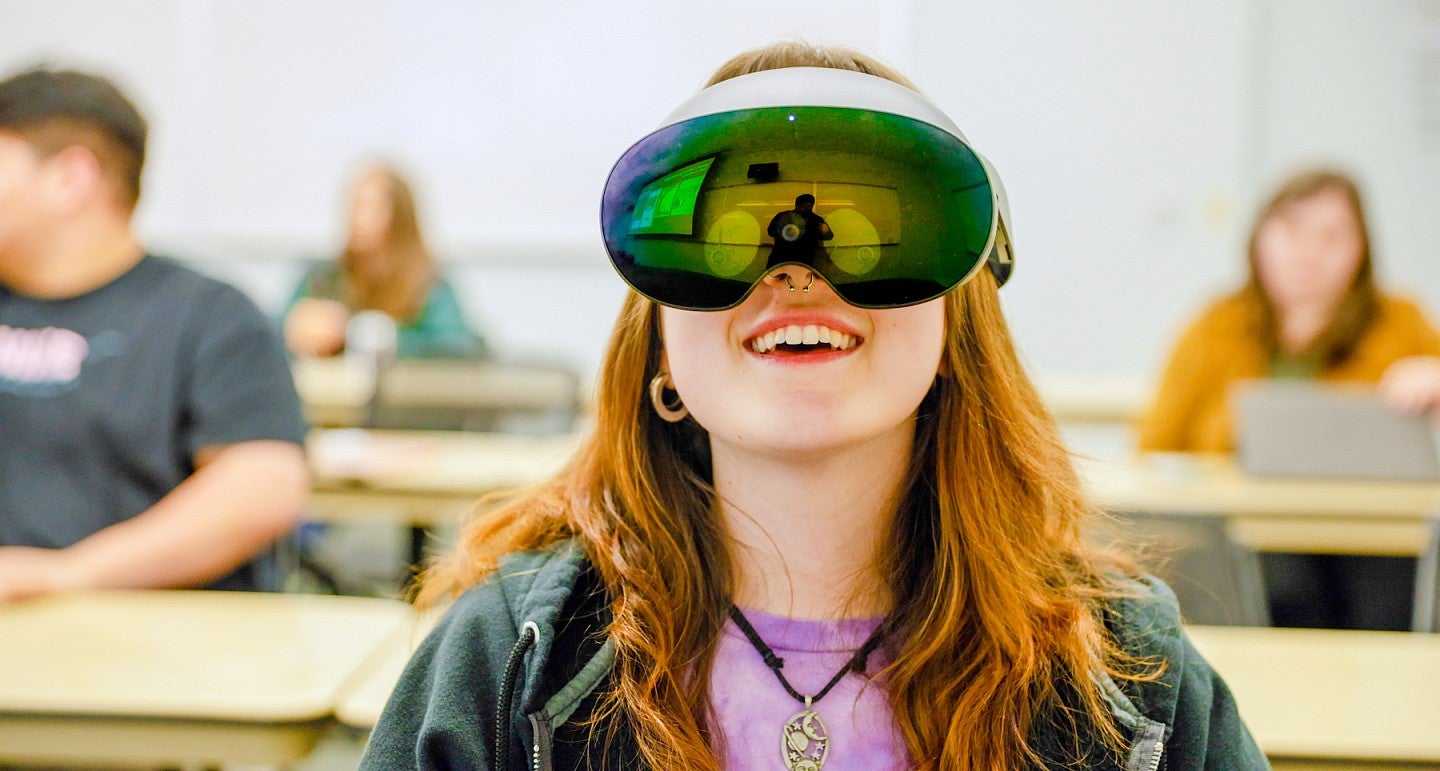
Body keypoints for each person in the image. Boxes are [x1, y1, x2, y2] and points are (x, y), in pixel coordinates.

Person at [363, 43, 1265, 770]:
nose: (795, 273)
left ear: (958, 331)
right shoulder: (509, 661)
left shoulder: (1125, 677)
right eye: (731, 240)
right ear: (661, 349)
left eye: (866, 235)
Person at [0, 68, 309, 601]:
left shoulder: (209, 315)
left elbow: (265, 487)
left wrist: (64, 576)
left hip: (156, 652)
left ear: (68, 179)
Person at [1138, 170, 1440, 631]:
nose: (1308, 252)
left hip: (1375, 547)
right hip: (1250, 543)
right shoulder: (1215, 325)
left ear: (1361, 250)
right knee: (1268, 584)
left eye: (1331, 235)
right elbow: (1155, 447)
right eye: (1292, 229)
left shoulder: (1402, 322)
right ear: (1260, 236)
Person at [283, 163, 484, 360]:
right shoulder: (323, 277)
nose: (359, 219)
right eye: (356, 206)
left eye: (372, 208)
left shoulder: (429, 285)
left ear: (399, 216)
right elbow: (273, 332)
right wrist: (296, 328)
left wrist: (361, 335)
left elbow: (457, 346)